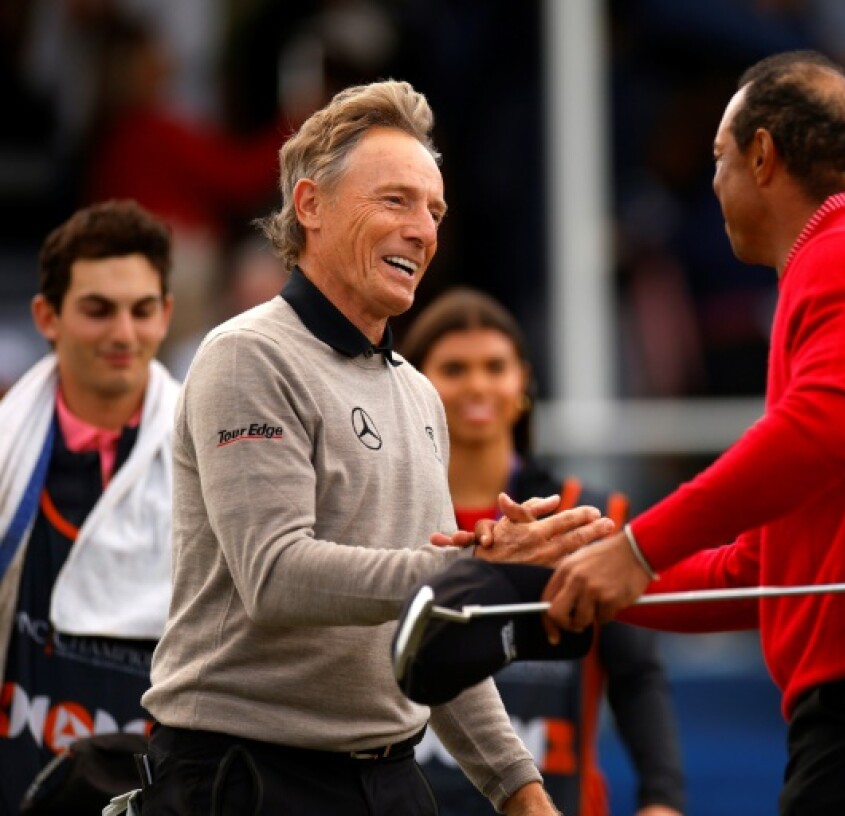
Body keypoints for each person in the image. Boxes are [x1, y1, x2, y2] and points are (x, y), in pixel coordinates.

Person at [541, 51, 845, 815]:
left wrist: (637, 547)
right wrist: (591, 575)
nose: (713, 184)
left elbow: (823, 430)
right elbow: (764, 572)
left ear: (763, 155)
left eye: (720, 159)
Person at [138, 80, 613, 815]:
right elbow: (275, 575)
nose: (423, 229)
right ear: (310, 206)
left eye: (434, 210)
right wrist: (473, 569)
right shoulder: (246, 357)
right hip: (243, 775)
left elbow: (428, 627)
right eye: (395, 200)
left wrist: (520, 789)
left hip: (388, 780)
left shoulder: (419, 394)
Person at [400, 288, 686, 816]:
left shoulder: (585, 517)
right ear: (415, 385)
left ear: (523, 382)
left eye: (494, 366)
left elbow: (637, 673)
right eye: (455, 369)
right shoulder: (391, 515)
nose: (478, 384)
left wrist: (662, 798)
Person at [0, 200, 178, 812]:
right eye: (99, 310)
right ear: (47, 316)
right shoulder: (7, 451)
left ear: (167, 316)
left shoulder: (210, 463)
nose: (123, 334)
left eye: (141, 310)